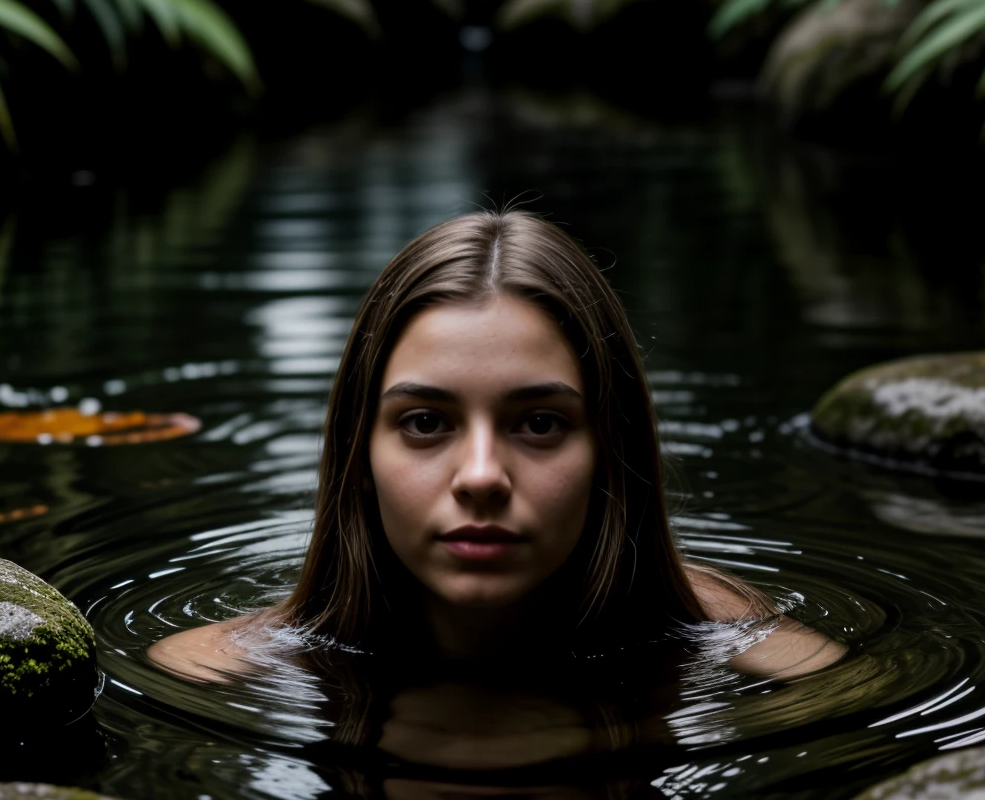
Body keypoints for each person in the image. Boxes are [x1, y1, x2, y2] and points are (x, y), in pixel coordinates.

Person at [150, 210, 841, 684]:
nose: (481, 477)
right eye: (425, 423)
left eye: (539, 423)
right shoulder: (203, 672)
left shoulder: (769, 659)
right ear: (358, 458)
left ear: (612, 453)